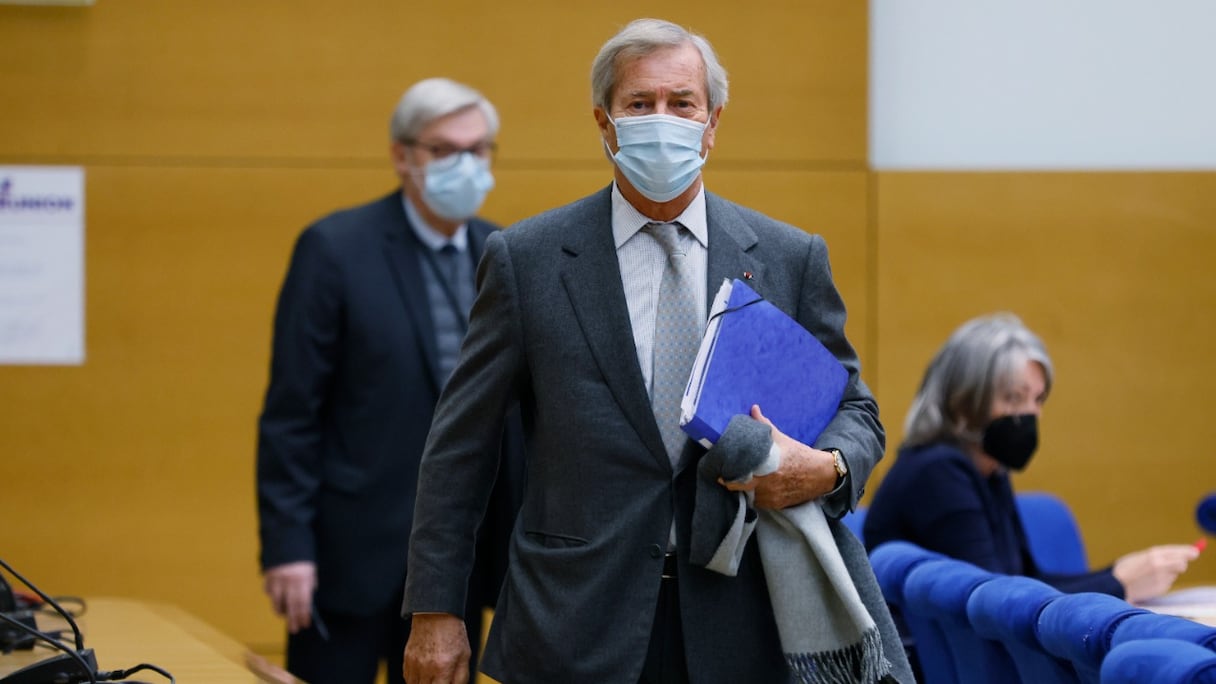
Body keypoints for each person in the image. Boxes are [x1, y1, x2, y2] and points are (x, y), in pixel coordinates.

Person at [401, 18, 913, 684]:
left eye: (682, 103)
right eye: (639, 105)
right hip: (574, 623)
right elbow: (459, 449)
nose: (661, 120)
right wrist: (436, 611)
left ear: (713, 122)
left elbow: (856, 410)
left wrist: (828, 468)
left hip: (742, 620)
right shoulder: (527, 262)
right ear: (604, 124)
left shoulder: (788, 259)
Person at [256, 77, 524, 684]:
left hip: (461, 559)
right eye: (444, 149)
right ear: (402, 155)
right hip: (350, 555)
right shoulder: (333, 249)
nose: (466, 164)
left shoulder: (503, 252)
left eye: (478, 150)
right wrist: (287, 546)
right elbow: (292, 414)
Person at [864, 312, 1200, 601]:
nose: (1030, 414)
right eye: (1013, 398)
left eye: (1038, 399)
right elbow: (997, 603)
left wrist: (1122, 573)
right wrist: (1118, 584)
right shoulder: (935, 472)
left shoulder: (989, 468)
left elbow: (1026, 580)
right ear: (962, 403)